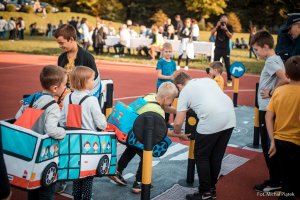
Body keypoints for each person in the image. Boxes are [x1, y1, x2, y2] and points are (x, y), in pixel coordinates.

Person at [110, 82, 189, 194]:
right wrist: (179, 135)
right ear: (167, 98)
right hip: (140, 136)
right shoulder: (158, 111)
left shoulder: (151, 96)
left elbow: (163, 106)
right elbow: (163, 132)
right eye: (172, 101)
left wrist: (177, 111)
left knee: (131, 149)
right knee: (146, 155)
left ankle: (118, 170)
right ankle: (139, 182)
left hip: (130, 132)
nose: (171, 104)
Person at [173, 71, 236, 200]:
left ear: (179, 85)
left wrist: (178, 134)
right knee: (216, 156)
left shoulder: (184, 92)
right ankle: (211, 189)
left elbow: (178, 122)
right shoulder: (207, 80)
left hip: (211, 120)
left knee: (201, 156)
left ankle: (205, 193)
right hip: (230, 117)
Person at [15, 65, 67, 200]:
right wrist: (63, 132)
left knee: (32, 186)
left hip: (29, 148)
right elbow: (51, 129)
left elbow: (17, 117)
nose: (65, 88)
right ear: (55, 88)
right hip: (45, 154)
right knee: (47, 189)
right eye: (65, 85)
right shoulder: (53, 106)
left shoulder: (32, 99)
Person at [250, 30, 290, 193]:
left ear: (266, 46)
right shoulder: (277, 58)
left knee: (268, 146)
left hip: (268, 109)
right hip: (271, 108)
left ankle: (275, 180)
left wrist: (272, 92)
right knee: (271, 144)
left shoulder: (271, 62)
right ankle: (277, 177)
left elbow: (285, 78)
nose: (255, 52)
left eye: (257, 49)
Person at [59, 66, 107, 200]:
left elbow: (62, 120)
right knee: (88, 173)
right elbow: (101, 123)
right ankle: (86, 197)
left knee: (76, 171)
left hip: (72, 141)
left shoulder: (68, 97)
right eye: (92, 79)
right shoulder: (91, 100)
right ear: (84, 81)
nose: (94, 82)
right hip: (88, 142)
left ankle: (76, 197)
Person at [266, 56, 300, 200]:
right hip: (297, 143)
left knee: (286, 179)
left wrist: (272, 141)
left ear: (286, 74)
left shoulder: (279, 92)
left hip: (280, 142)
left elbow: (268, 117)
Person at [54, 24, 101, 106]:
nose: (60, 46)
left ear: (71, 39)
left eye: (62, 43)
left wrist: (77, 94)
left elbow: (94, 80)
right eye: (58, 43)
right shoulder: (61, 58)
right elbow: (60, 79)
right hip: (65, 98)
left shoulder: (87, 57)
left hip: (81, 100)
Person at [156, 42, 177, 126]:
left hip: (170, 88)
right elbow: (159, 75)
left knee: (168, 104)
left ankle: (166, 121)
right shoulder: (160, 62)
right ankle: (159, 120)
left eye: (169, 51)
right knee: (160, 104)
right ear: (162, 52)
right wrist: (170, 77)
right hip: (161, 87)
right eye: (166, 51)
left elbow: (174, 75)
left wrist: (174, 80)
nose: (168, 53)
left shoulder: (173, 63)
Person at [211, 14, 234, 87]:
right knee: (215, 64)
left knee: (227, 65)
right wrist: (217, 26)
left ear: (227, 21)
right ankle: (215, 78)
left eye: (225, 21)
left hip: (225, 49)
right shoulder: (217, 26)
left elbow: (230, 36)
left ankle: (229, 79)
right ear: (220, 21)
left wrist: (225, 29)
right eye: (222, 21)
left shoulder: (229, 27)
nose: (223, 23)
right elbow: (212, 33)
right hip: (217, 47)